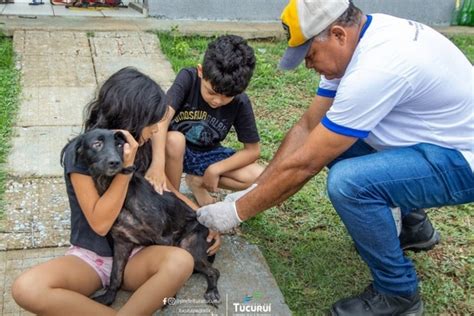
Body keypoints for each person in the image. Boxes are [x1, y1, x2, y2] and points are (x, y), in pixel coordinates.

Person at [196, 0, 474, 315]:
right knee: (333, 141)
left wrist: (235, 212)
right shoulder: (361, 40)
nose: (307, 65)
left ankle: (398, 294)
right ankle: (413, 227)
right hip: (437, 140)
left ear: (338, 34)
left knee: (349, 184)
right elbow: (308, 126)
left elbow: (306, 164)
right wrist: (257, 187)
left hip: (463, 159)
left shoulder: (375, 68)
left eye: (310, 55)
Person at [11, 67, 220, 315]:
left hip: (140, 254)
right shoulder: (82, 153)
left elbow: (166, 191)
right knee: (27, 288)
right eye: (151, 123)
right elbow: (100, 224)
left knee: (181, 261)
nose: (155, 130)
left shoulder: (140, 143)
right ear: (132, 119)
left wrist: (204, 220)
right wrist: (125, 170)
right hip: (92, 258)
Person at [148, 35, 264, 206]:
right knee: (175, 140)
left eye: (227, 97)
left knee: (258, 176)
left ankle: (196, 182)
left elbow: (252, 151)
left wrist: (216, 169)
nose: (217, 101)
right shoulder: (188, 78)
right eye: (211, 92)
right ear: (201, 72)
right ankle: (172, 200)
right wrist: (157, 164)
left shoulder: (240, 101)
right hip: (172, 151)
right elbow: (161, 120)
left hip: (207, 154)